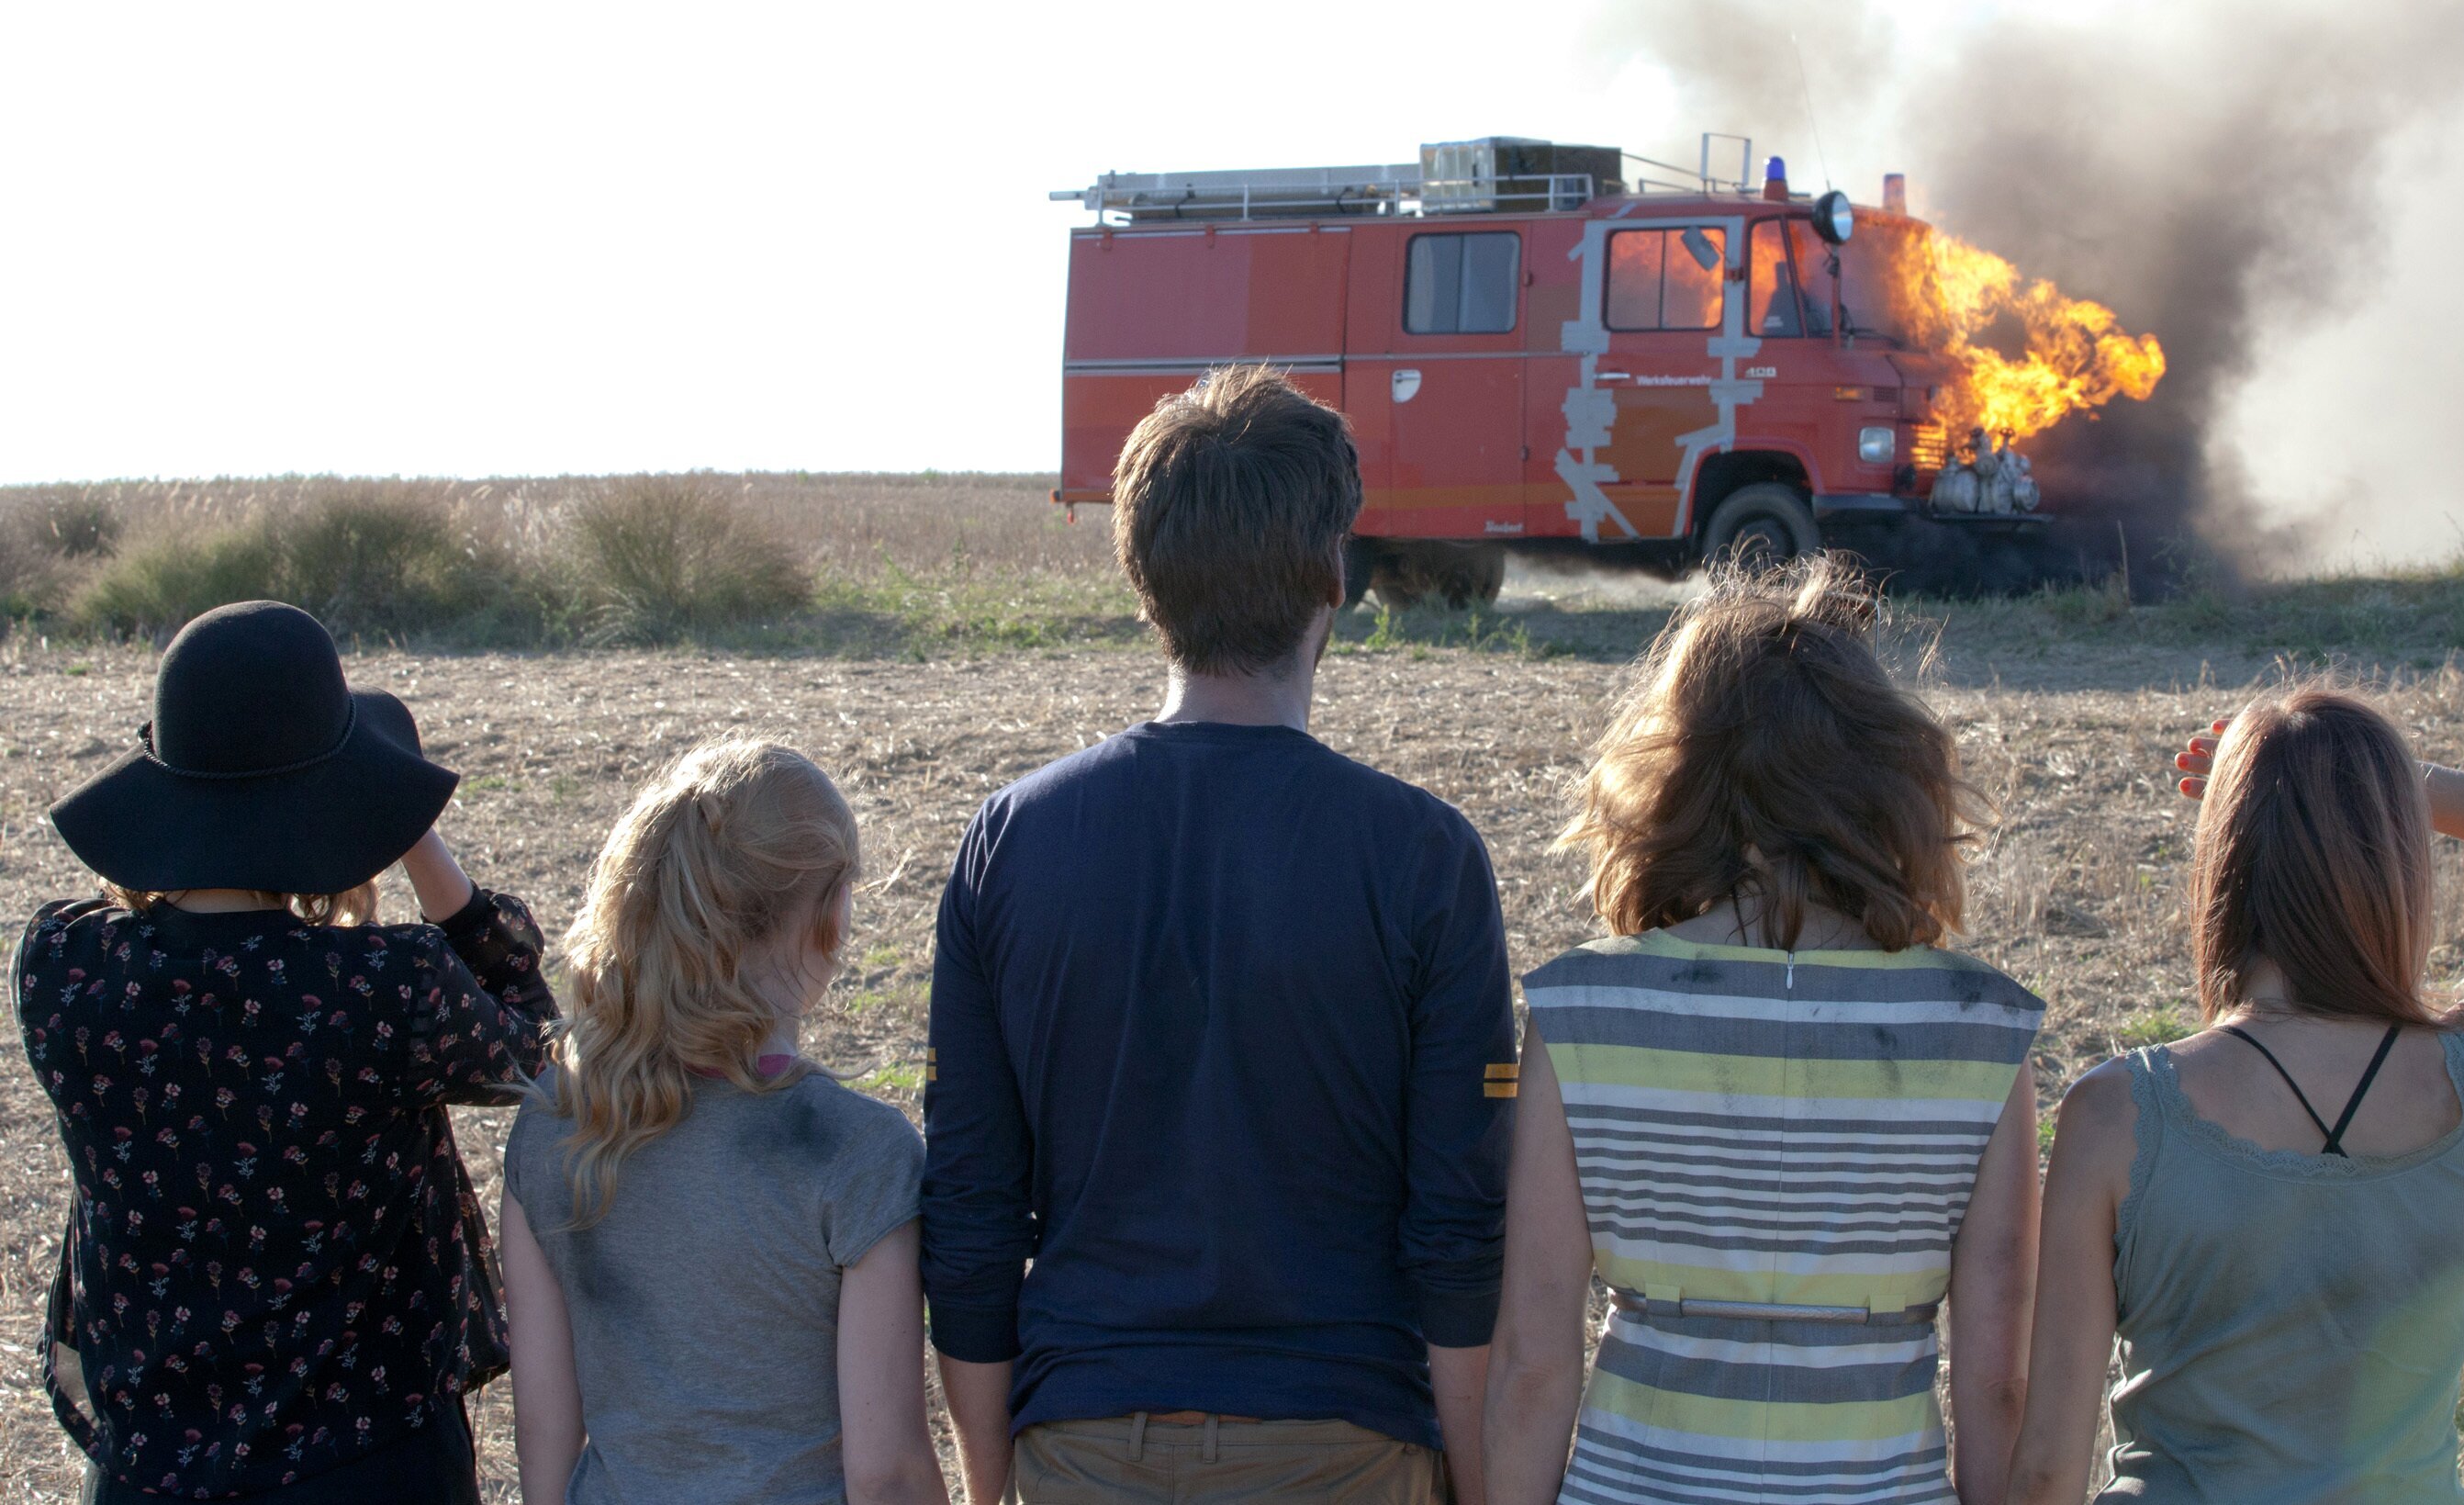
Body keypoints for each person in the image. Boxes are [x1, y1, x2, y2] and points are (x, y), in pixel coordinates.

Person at [922, 365, 1517, 1505]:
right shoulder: (1424, 858)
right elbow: (1458, 1226)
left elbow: (975, 1206)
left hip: (1081, 1439)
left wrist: (994, 1478)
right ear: (1330, 575)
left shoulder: (1011, 843)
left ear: (1143, 577)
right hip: (1345, 1440)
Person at [2005, 688, 2464, 1502]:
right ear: (2396, 865)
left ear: (2221, 865)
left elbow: (2042, 1474)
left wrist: (2294, 782)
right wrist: (2394, 787)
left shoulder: (2117, 1113)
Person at [1487, 557, 2044, 1505]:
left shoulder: (1580, 1012)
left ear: (1678, 773)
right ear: (1882, 773)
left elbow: (1535, 1364)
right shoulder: (1983, 1030)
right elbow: (1997, 1383)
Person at [15, 600, 555, 1503]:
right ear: (341, 803)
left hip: (149, 1470)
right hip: (373, 1464)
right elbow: (533, 1046)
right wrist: (410, 829)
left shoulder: (64, 971)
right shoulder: (386, 988)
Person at [498, 737, 945, 1505]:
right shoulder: (858, 1153)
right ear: (831, 914)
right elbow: (887, 1474)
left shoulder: (554, 1125)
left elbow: (543, 1433)